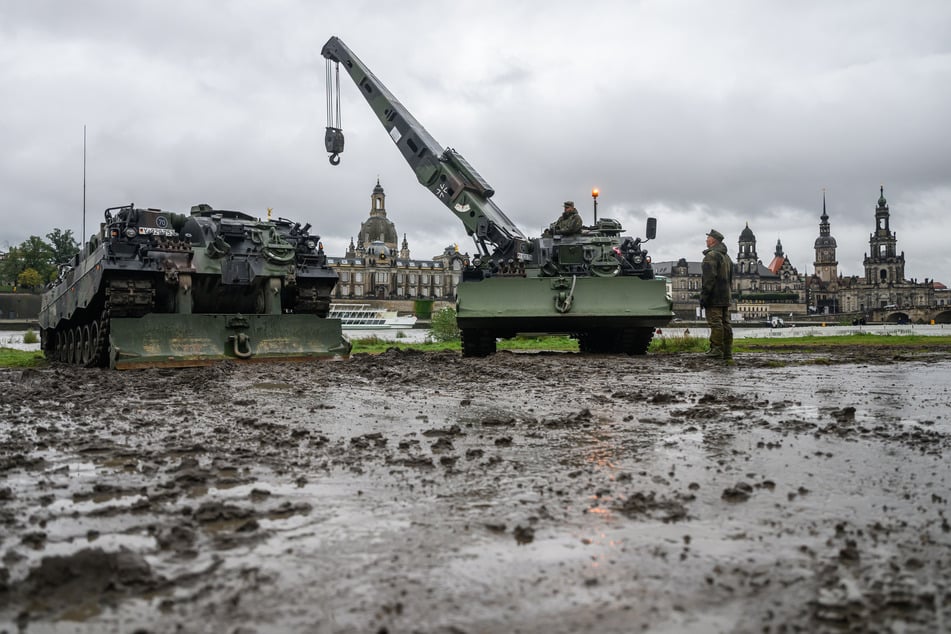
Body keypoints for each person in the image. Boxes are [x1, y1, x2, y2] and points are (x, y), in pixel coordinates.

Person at [700, 229, 735, 365]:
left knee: (715, 323)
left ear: (713, 240)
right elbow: (730, 277)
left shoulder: (711, 256)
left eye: (708, 237)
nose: (706, 240)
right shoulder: (727, 257)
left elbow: (709, 279)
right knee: (726, 324)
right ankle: (727, 352)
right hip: (725, 295)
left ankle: (716, 349)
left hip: (714, 296)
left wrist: (704, 296)